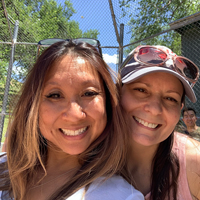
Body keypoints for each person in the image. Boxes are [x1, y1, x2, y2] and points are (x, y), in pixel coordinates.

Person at [0, 40, 144, 200]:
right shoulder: (4, 169)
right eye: (55, 95)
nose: (74, 114)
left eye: (89, 93)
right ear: (33, 106)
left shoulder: (122, 196)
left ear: (108, 104)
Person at [119, 45, 200, 200]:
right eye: (141, 90)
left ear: (180, 109)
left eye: (170, 98)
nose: (155, 109)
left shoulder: (194, 162)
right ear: (117, 91)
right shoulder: (84, 156)